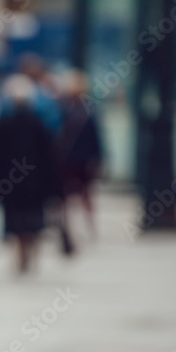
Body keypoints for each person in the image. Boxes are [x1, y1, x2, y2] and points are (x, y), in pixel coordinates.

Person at [0, 75, 61, 274]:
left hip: (13, 183)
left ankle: (22, 254)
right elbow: (49, 158)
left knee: (17, 222)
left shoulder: (5, 125)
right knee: (33, 221)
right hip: (35, 183)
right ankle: (30, 252)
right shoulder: (38, 125)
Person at [56, 69, 103, 241]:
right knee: (84, 196)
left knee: (71, 197)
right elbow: (96, 138)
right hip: (80, 159)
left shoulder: (64, 108)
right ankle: (87, 228)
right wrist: (98, 159)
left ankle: (71, 228)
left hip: (70, 158)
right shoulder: (88, 110)